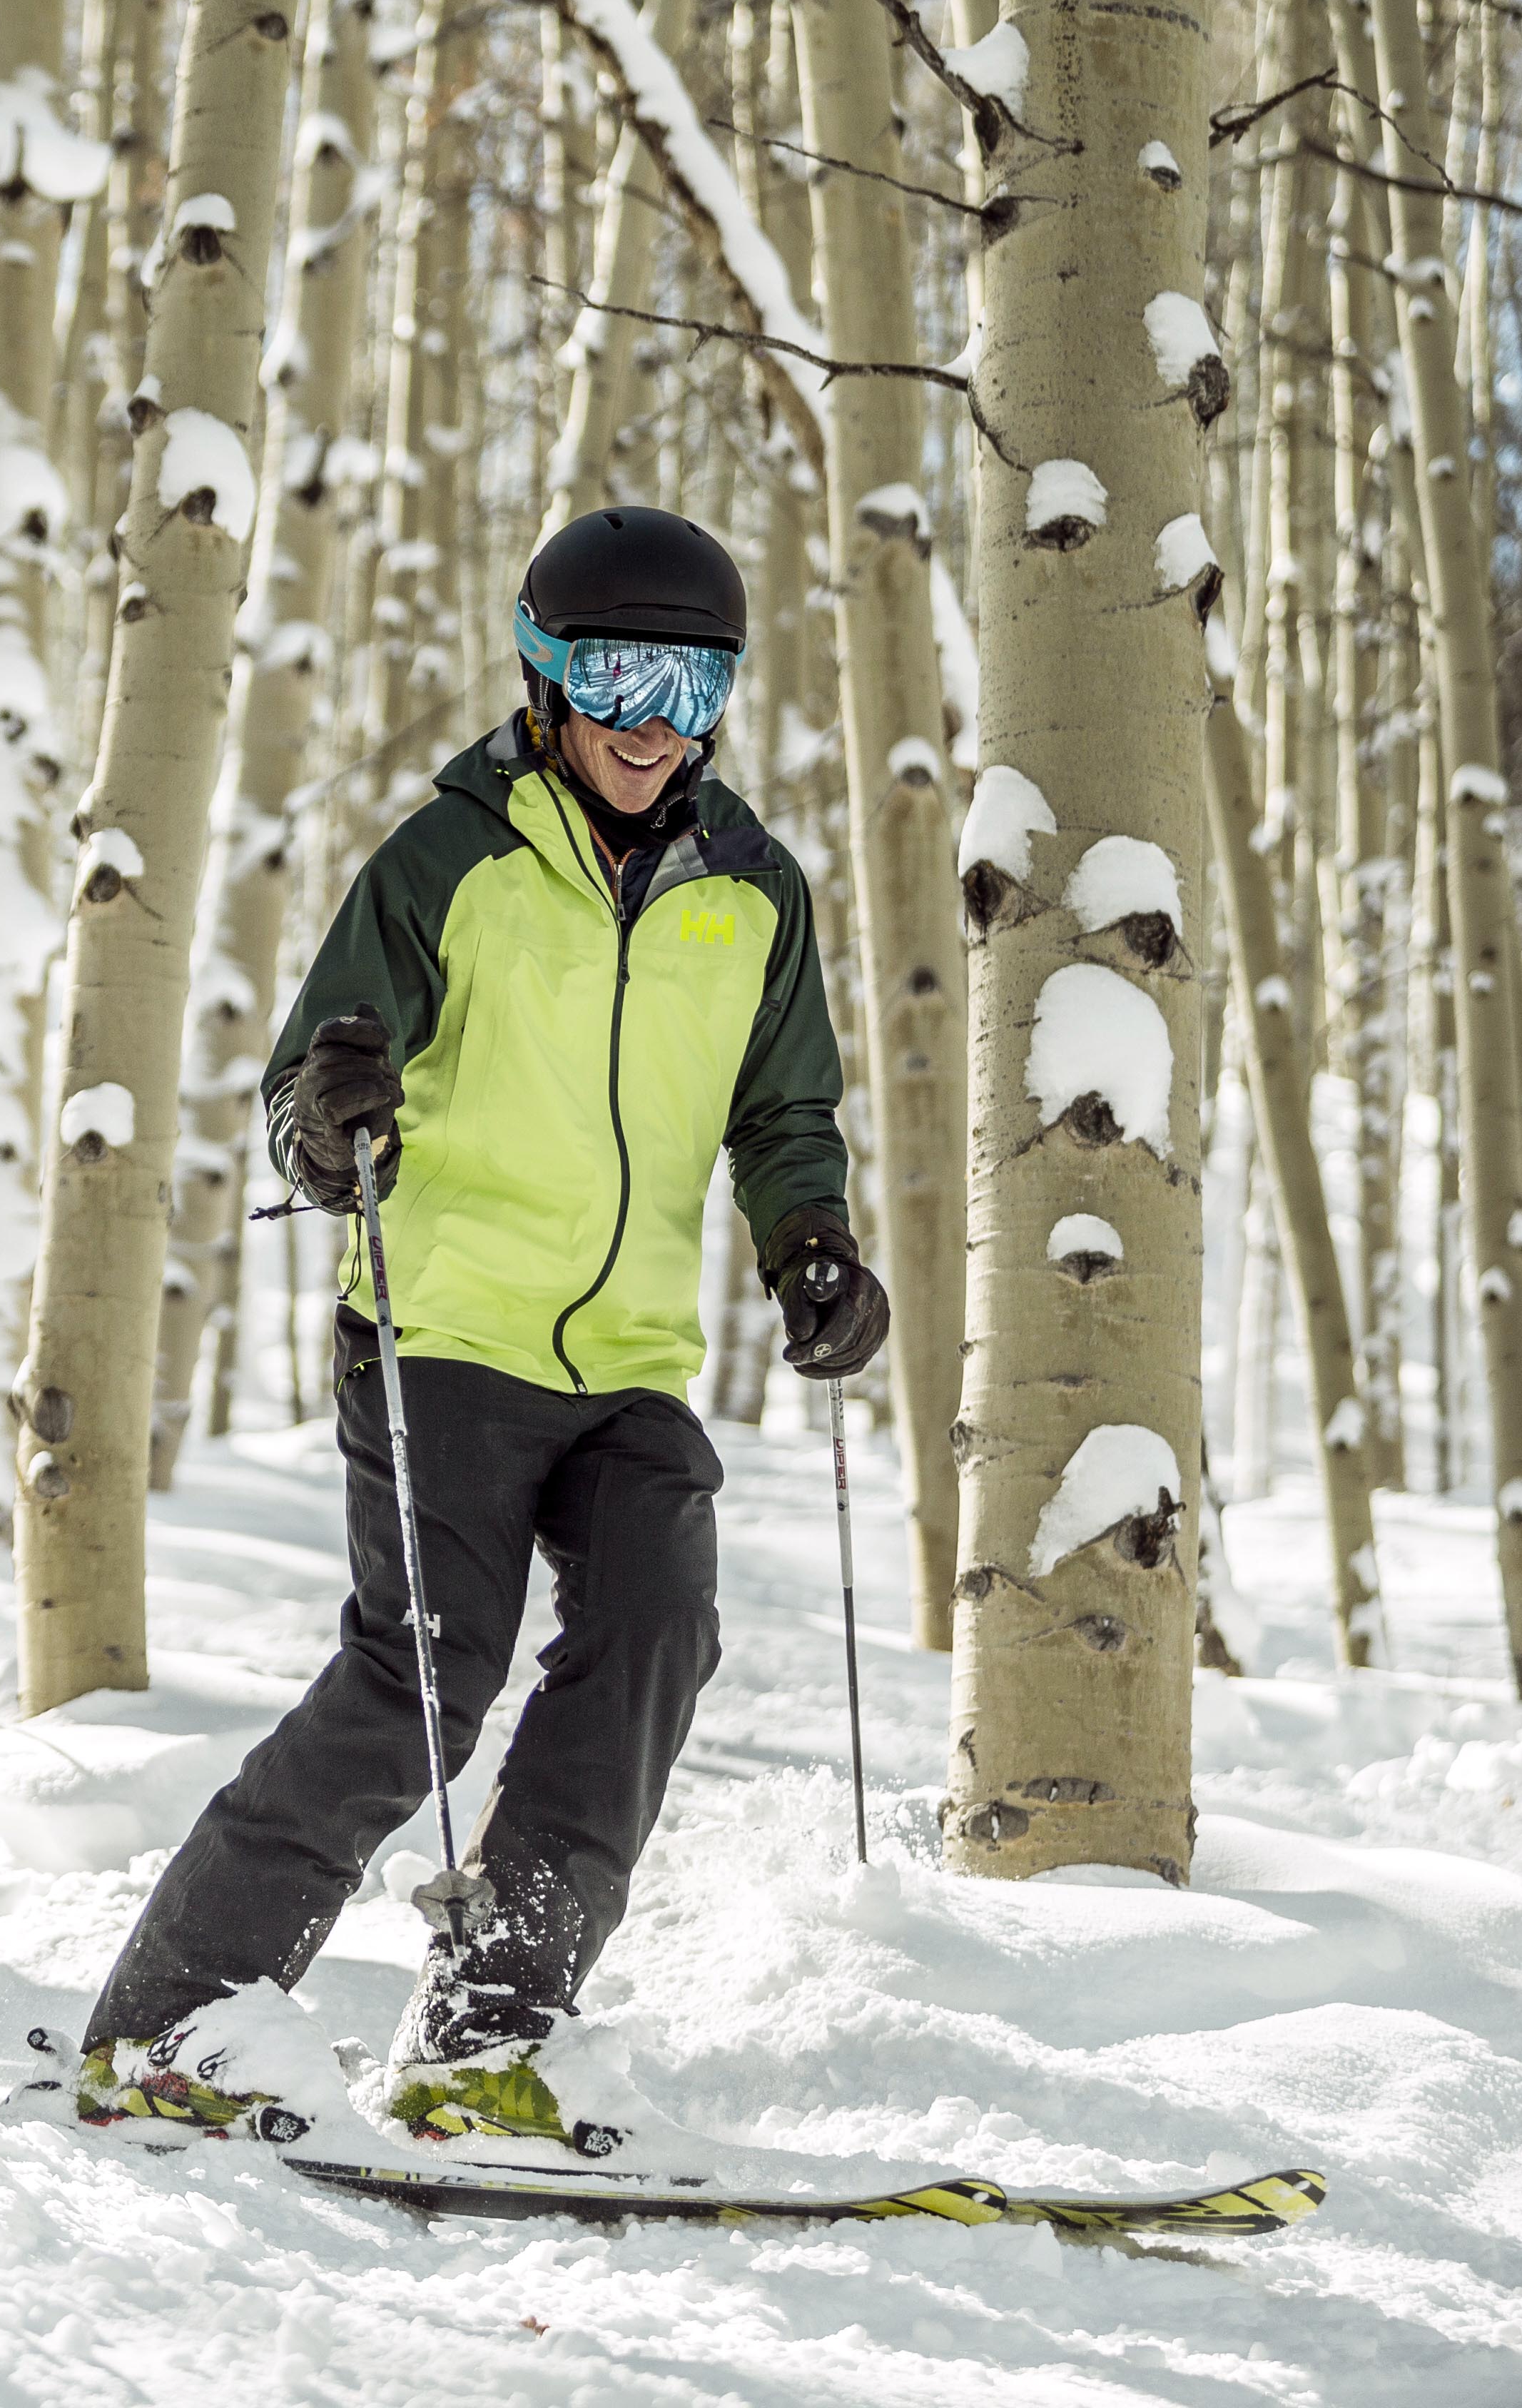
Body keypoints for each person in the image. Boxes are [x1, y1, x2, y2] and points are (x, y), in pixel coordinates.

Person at [69, 507, 889, 2147]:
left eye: (690, 678)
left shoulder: (754, 891)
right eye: (613, 673)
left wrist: (812, 1245)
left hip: (630, 1360)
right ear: (543, 673)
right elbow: (314, 1073)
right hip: (443, 1330)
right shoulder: (452, 858)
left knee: (656, 1628)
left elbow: (784, 1107)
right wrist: (335, 1114)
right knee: (427, 1667)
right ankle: (166, 2024)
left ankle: (488, 2025)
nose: (650, 721)